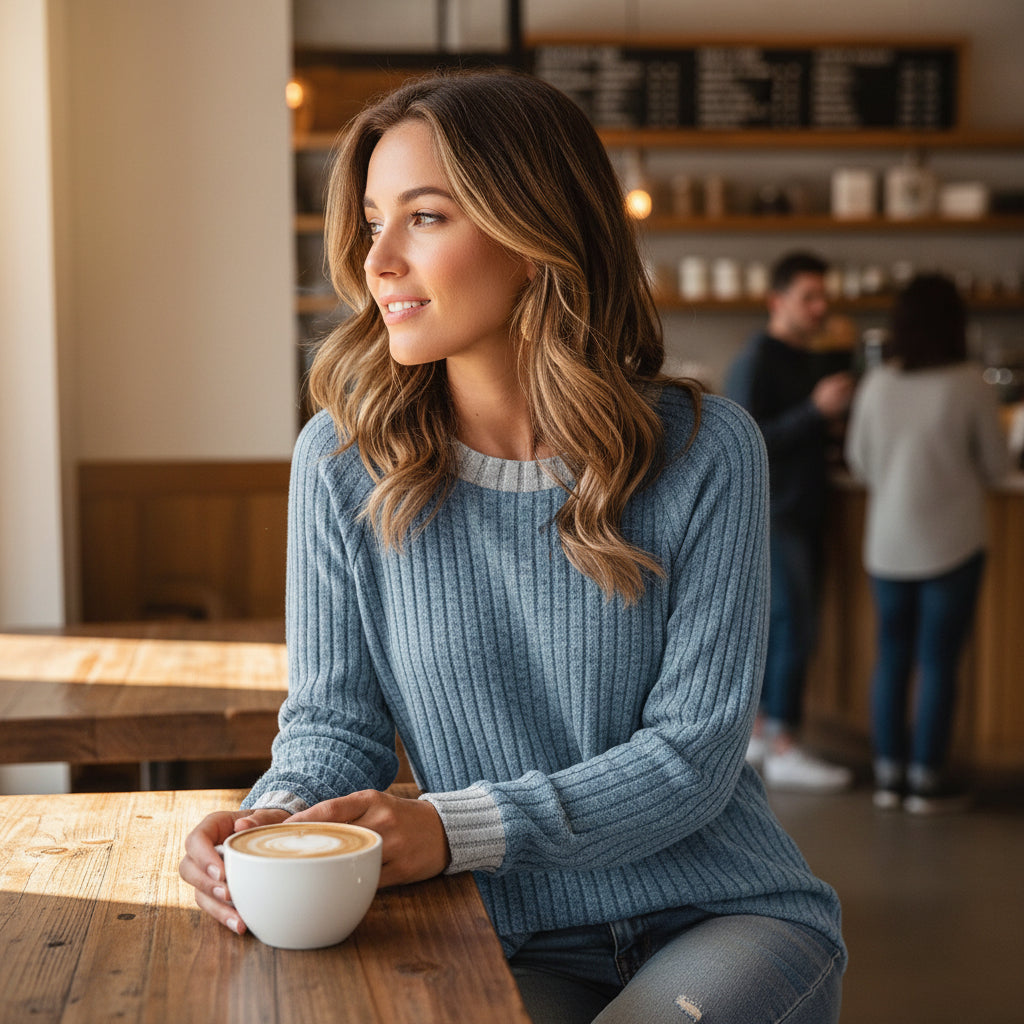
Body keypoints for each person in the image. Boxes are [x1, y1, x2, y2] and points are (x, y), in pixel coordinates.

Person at [179, 70, 845, 1023]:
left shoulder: (708, 451)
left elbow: (694, 756)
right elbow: (335, 729)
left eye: (427, 218)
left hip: (722, 912)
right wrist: (270, 826)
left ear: (536, 235)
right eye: (373, 222)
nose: (379, 261)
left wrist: (450, 829)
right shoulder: (339, 462)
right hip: (502, 929)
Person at [845, 273, 1008, 813]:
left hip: (887, 546)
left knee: (891, 658)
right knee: (938, 662)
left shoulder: (877, 383)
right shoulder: (969, 384)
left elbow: (859, 463)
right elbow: (996, 465)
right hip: (952, 545)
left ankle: (888, 777)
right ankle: (926, 780)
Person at [724, 252, 855, 792]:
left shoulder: (807, 358)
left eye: (824, 297)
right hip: (775, 514)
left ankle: (764, 735)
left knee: (788, 628)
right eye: (809, 297)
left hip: (801, 510)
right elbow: (743, 444)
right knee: (789, 630)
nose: (821, 308)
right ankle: (780, 744)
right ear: (777, 302)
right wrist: (817, 412)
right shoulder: (758, 360)